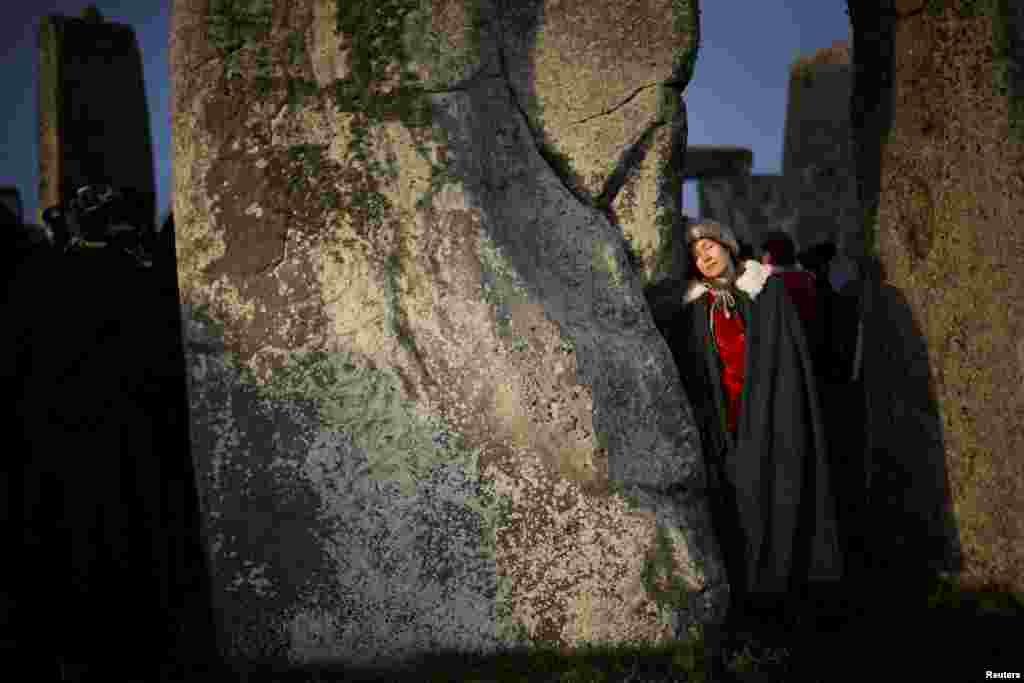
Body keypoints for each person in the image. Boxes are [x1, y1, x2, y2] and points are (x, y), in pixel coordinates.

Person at [646, 219, 843, 648]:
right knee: (731, 508)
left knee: (771, 495)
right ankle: (741, 604)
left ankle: (780, 597)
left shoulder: (765, 292)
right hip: (721, 425)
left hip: (767, 415)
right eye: (698, 252)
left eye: (712, 246)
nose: (706, 256)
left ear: (729, 248)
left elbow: (784, 359)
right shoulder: (695, 305)